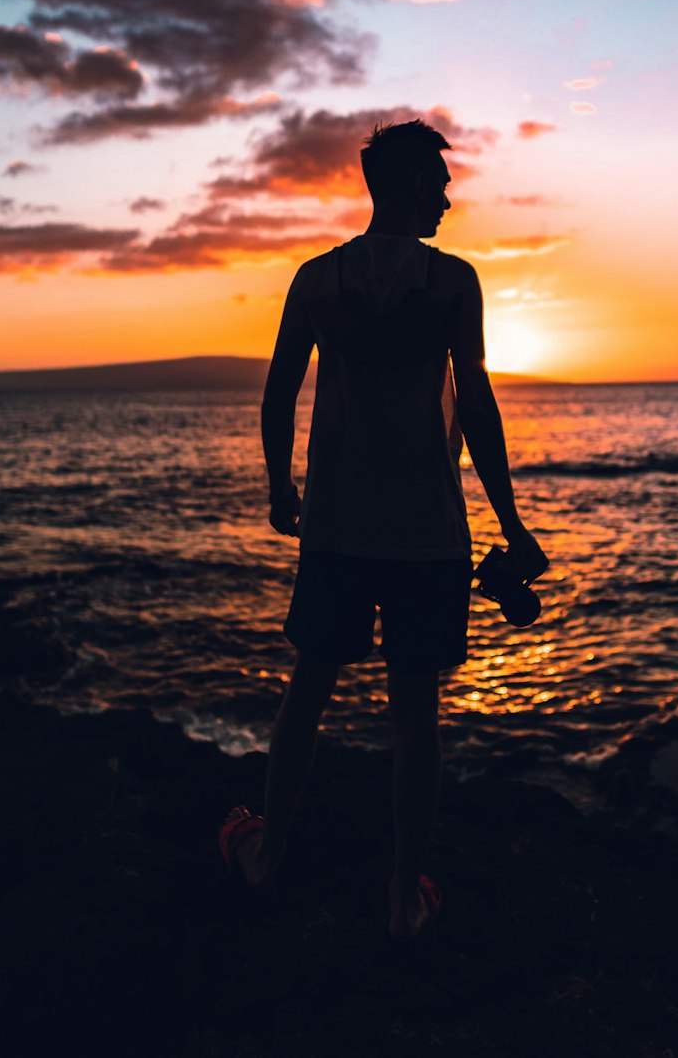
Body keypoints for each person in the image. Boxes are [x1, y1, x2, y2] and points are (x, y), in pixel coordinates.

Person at [221, 119, 548, 944]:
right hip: (429, 532)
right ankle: (403, 898)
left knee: (309, 687)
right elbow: (474, 402)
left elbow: (278, 391)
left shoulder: (318, 279)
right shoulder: (451, 283)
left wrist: (278, 485)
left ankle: (267, 859)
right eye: (437, 182)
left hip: (336, 524)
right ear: (405, 185)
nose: (446, 195)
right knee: (416, 715)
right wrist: (510, 521)